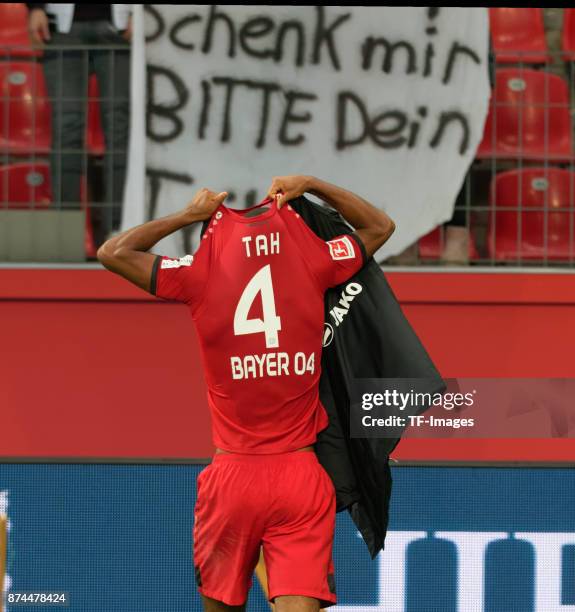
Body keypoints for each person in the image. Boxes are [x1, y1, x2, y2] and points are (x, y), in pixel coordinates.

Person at [97, 175, 394, 611]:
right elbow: (380, 228)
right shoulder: (313, 260)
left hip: (231, 481)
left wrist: (188, 215)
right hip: (300, 480)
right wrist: (312, 185)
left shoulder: (198, 273)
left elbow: (113, 252)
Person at [26, 3, 132, 246]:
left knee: (120, 131)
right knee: (67, 129)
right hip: (60, 25)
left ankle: (121, 230)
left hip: (122, 24)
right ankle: (65, 234)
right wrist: (35, 7)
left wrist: (143, 13)